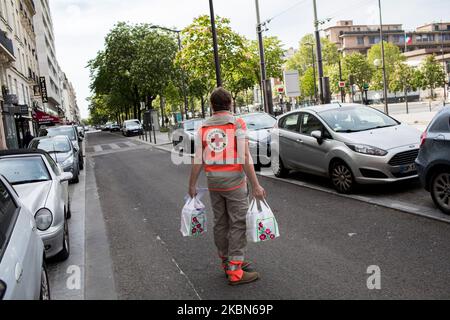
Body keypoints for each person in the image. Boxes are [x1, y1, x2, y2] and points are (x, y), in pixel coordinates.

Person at [188, 87, 266, 286]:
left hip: (214, 183)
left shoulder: (203, 128)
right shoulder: (236, 123)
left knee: (221, 223)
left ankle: (227, 261)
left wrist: (192, 184)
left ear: (211, 106)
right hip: (234, 183)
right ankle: (235, 271)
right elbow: (244, 156)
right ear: (230, 103)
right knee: (238, 223)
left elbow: (198, 158)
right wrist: (256, 185)